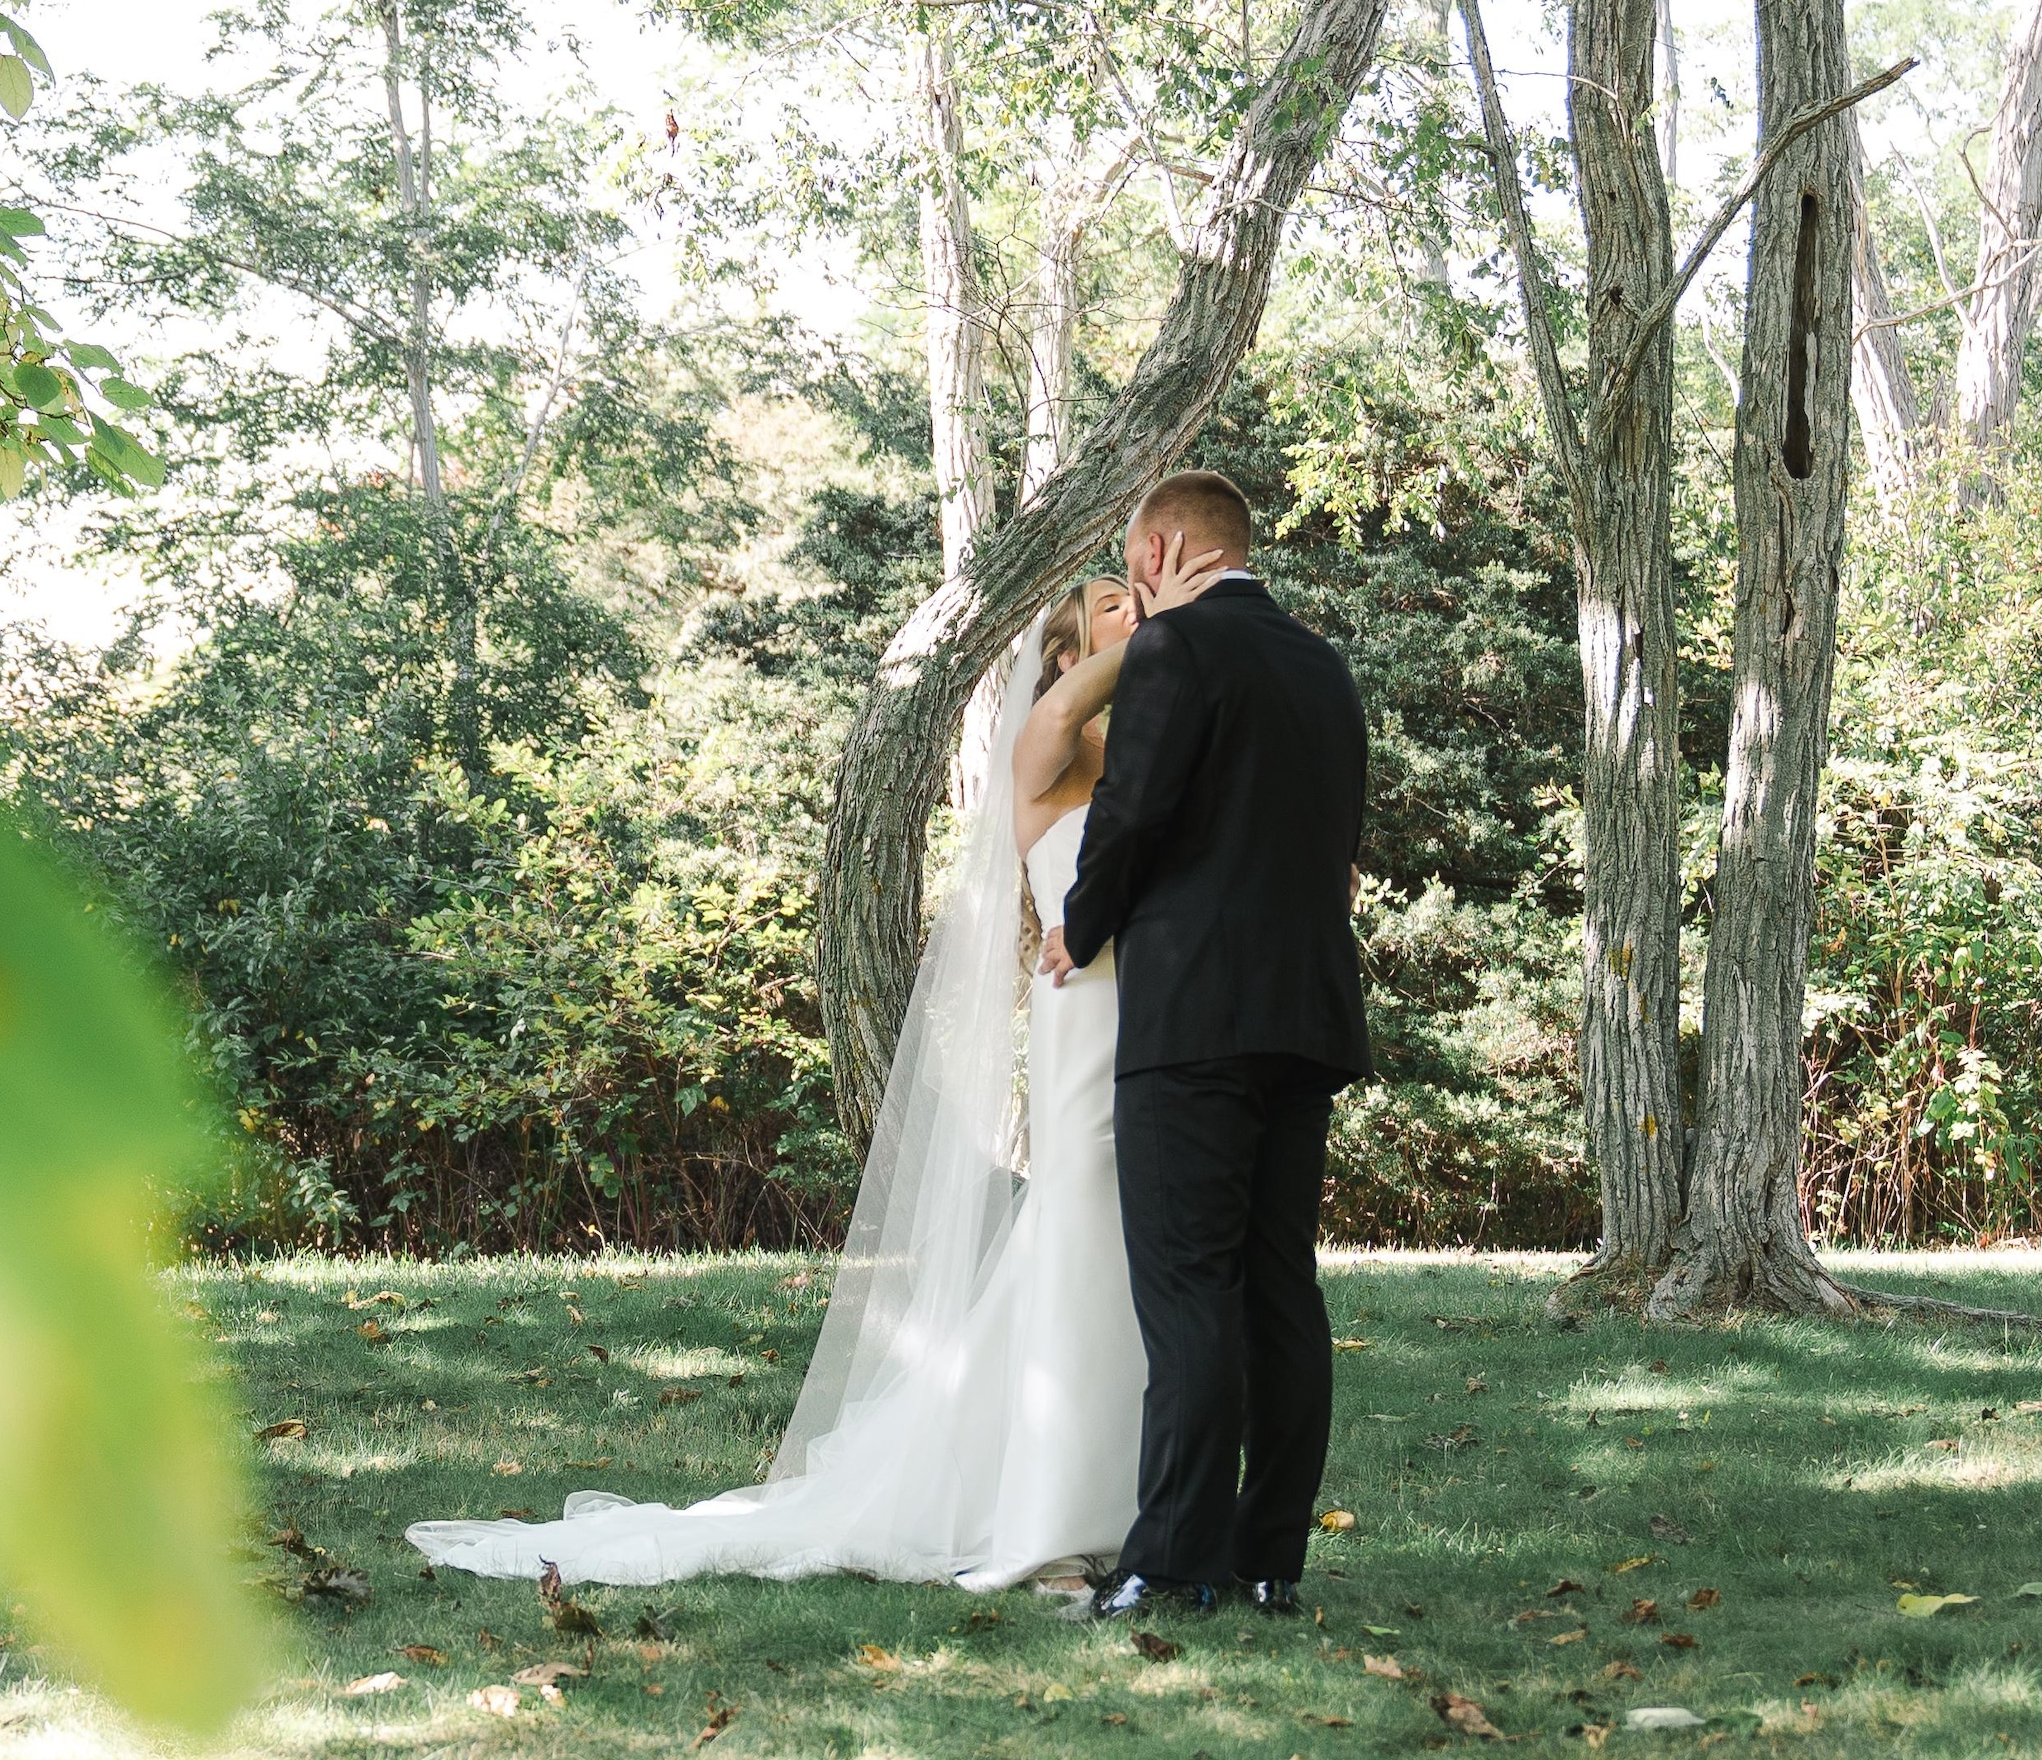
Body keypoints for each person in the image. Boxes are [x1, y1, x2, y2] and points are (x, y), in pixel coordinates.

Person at [407, 574, 1150, 1588]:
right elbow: (1081, 706)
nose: (1140, 612)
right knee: (1077, 1230)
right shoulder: (1044, 744)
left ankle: (1109, 1488)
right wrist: (1184, 631)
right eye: (1115, 608)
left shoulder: (1139, 751)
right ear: (1066, 656)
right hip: (1084, 1020)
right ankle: (1041, 1507)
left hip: (1146, 1016)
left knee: (1125, 1249)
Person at [1047, 468, 1371, 1624]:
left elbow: (1131, 810)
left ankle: (1171, 1560)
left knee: (1187, 1286)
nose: (1133, 576)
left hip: (1193, 1015)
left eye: (1136, 555)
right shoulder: (1324, 667)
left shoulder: (1174, 653)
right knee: (1280, 1286)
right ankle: (1270, 1559)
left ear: (1165, 547)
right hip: (1308, 1010)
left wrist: (1076, 928)